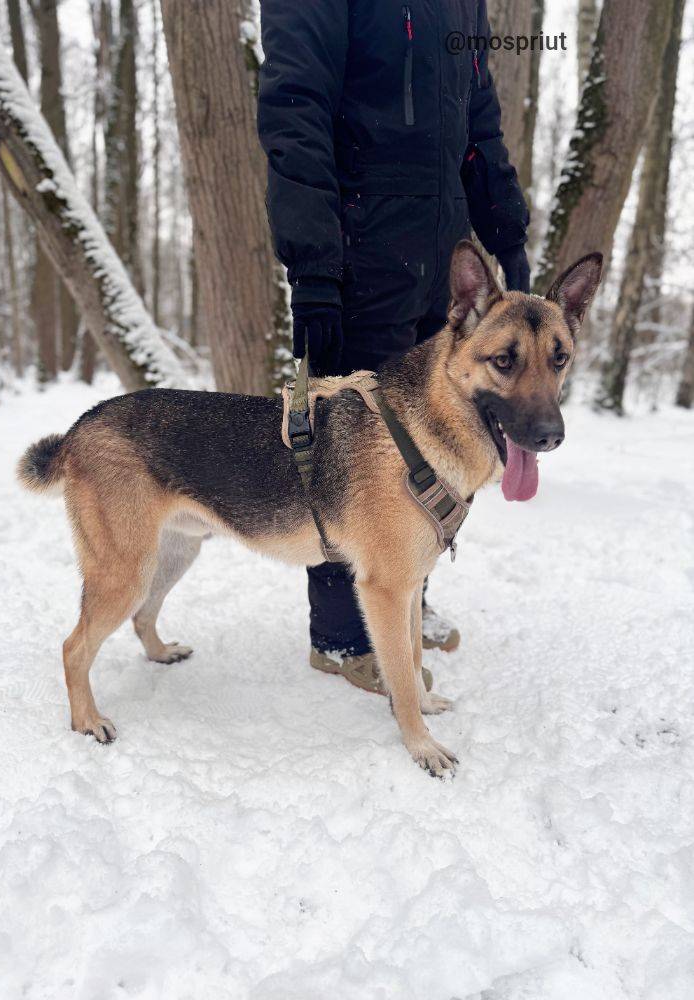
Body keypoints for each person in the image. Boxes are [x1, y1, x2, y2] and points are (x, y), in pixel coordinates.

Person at [258, 0, 530, 694]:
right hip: (358, 257)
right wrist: (314, 268)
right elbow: (296, 107)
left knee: (427, 448)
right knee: (348, 451)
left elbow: (480, 127)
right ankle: (345, 636)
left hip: (442, 263)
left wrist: (508, 235)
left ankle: (404, 589)